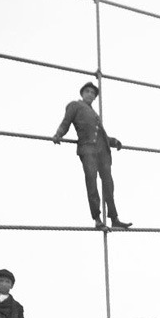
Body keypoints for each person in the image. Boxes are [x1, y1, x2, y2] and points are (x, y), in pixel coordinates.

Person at [52, 81, 131, 230]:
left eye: (93, 93)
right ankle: (97, 219)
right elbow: (66, 122)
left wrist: (114, 141)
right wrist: (59, 134)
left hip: (102, 153)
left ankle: (114, 218)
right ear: (82, 93)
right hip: (88, 150)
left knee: (109, 185)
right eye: (87, 91)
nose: (90, 94)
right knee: (92, 183)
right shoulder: (75, 105)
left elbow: (102, 136)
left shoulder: (95, 114)